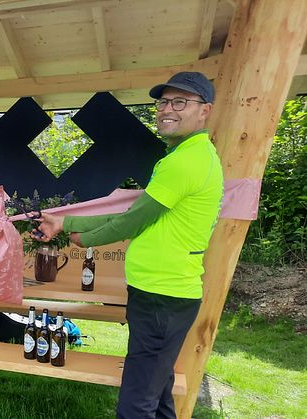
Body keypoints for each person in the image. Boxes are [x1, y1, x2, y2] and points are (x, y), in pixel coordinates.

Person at [34, 71, 223, 419]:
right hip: (162, 295)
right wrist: (65, 222)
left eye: (180, 101)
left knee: (136, 403)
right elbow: (138, 214)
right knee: (158, 391)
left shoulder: (187, 161)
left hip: (162, 298)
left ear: (205, 110)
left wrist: (83, 238)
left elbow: (132, 221)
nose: (167, 109)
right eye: (163, 101)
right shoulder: (190, 155)